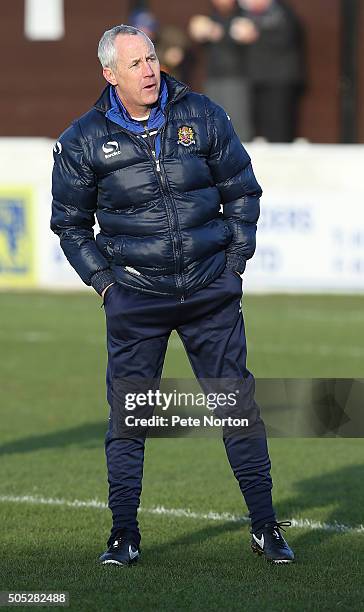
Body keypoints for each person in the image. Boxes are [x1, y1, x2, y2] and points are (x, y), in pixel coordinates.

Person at [50, 24, 294, 565]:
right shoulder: (82, 139)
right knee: (130, 419)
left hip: (212, 292)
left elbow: (242, 191)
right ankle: (123, 534)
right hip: (135, 299)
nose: (149, 70)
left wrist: (233, 264)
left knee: (237, 410)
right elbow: (69, 224)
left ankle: (265, 528)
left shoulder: (202, 114)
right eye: (135, 64)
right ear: (110, 75)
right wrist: (107, 285)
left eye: (152, 58)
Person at [236, 0, 305, 142]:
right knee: (257, 126)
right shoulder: (244, 15)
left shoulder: (282, 12)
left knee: (279, 125)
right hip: (254, 78)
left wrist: (256, 34)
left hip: (280, 79)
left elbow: (286, 38)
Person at [189, 0, 255, 142]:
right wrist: (201, 32)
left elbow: (251, 38)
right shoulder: (209, 18)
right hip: (213, 77)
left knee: (237, 124)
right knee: (213, 122)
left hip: (236, 77)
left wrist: (232, 33)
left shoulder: (244, 16)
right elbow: (196, 35)